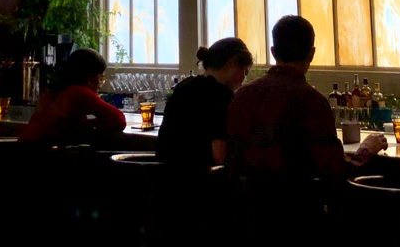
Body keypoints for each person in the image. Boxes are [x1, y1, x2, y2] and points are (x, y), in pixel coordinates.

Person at [226, 15, 387, 180]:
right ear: (311, 54)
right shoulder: (312, 102)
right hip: (298, 203)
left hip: (242, 203)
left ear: (273, 52)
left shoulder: (242, 96)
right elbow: (336, 172)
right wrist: (365, 150)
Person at [157, 37, 253, 168]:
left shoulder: (184, 86)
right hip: (199, 180)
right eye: (245, 72)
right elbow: (220, 155)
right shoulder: (220, 95)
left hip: (163, 177)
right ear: (233, 63)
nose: (244, 79)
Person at [18, 48, 126, 144]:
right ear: (90, 78)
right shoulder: (79, 92)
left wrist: (85, 124)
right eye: (100, 78)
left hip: (26, 148)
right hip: (40, 155)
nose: (101, 83)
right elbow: (119, 119)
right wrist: (90, 125)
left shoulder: (54, 90)